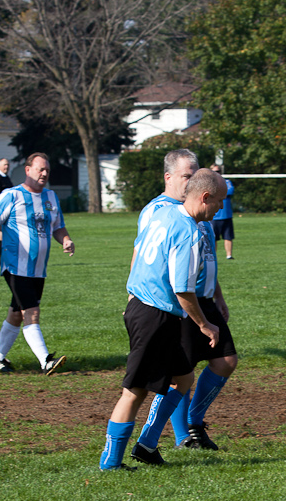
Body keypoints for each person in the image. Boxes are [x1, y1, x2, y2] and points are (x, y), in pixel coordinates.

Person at [100, 169, 226, 470]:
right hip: (153, 314)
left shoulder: (163, 214)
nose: (221, 208)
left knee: (183, 379)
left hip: (147, 308)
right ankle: (111, 463)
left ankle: (146, 445)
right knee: (134, 392)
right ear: (205, 197)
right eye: (219, 201)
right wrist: (205, 325)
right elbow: (183, 290)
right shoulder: (189, 232)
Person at [141, 165, 239, 454]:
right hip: (182, 301)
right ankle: (176, 436)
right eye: (187, 175)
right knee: (181, 373)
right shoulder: (161, 211)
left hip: (204, 299)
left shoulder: (202, 213)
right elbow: (143, 254)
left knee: (225, 360)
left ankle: (193, 422)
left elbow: (206, 259)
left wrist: (218, 294)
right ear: (169, 177)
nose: (191, 180)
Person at [0, 153, 75, 375]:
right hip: (16, 266)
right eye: (40, 169)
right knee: (31, 312)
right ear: (27, 170)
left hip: (38, 269)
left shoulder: (51, 197)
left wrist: (65, 239)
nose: (44, 174)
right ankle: (46, 361)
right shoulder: (11, 195)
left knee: (17, 313)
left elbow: (57, 226)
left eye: (47, 170)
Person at [211, 163, 236, 260]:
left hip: (226, 215)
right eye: (215, 171)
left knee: (228, 236)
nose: (217, 173)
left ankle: (229, 255)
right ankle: (213, 256)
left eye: (218, 171)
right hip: (214, 216)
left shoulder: (227, 182)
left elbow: (230, 191)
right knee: (213, 238)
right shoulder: (209, 183)